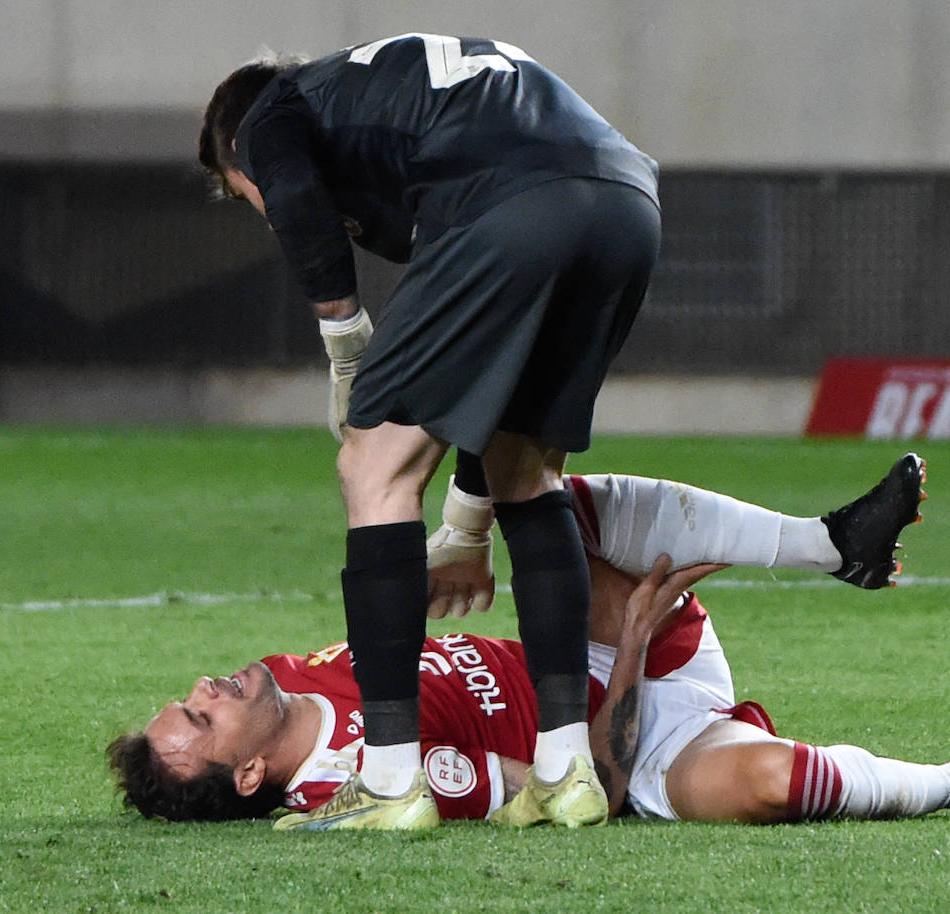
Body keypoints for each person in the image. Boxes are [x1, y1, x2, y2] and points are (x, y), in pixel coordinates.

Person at [197, 33, 663, 829]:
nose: (263, 205)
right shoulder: (402, 117)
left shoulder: (268, 110)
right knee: (526, 471)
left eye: (247, 195)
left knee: (373, 470)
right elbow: (492, 381)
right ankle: (565, 771)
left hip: (517, 201)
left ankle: (386, 780)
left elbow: (301, 204)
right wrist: (466, 526)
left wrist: (346, 348)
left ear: (233, 158)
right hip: (628, 202)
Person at [107, 458, 950, 826]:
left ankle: (828, 545)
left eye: (192, 693)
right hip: (633, 737)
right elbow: (595, 787)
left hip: (589, 642)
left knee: (523, 490)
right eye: (203, 714)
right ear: (246, 777)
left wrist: (461, 548)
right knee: (763, 786)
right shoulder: (376, 781)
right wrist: (629, 649)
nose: (207, 683)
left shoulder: (288, 677)